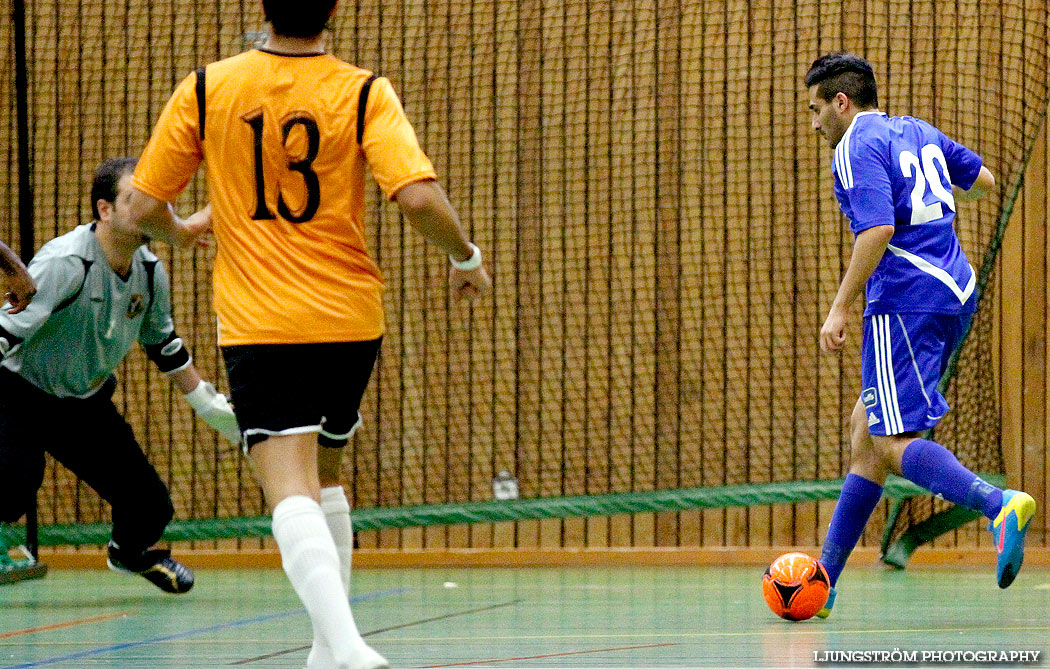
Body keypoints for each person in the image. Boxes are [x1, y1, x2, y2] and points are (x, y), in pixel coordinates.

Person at [125, 1, 491, 666]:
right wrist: (465, 257)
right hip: (350, 318)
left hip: (262, 320)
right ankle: (327, 649)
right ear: (332, 9)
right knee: (325, 471)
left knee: (287, 483)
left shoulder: (209, 87)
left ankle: (348, 647)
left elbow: (142, 205)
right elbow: (416, 197)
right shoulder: (363, 91)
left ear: (264, 8)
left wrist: (178, 232)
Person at [805, 52, 1035, 617]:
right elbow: (982, 181)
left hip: (906, 297)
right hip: (955, 287)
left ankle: (998, 504)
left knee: (890, 440)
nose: (813, 123)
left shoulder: (854, 145)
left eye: (815, 109)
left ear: (842, 102)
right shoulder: (916, 130)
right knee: (867, 432)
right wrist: (938, 208)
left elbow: (879, 228)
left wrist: (838, 308)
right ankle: (823, 582)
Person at [0, 157, 241, 594]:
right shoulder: (67, 262)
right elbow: (6, 331)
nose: (150, 208)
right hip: (20, 391)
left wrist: (211, 406)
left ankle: (127, 554)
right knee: (14, 480)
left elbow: (163, 346)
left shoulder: (150, 272)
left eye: (154, 200)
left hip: (83, 403)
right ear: (104, 210)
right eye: (136, 199)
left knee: (150, 508)